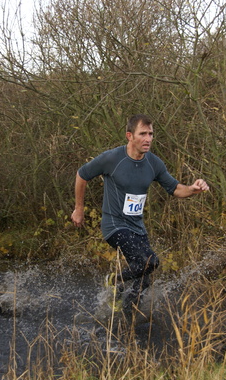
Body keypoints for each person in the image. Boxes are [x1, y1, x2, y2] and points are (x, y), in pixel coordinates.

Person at [71, 114, 209, 313]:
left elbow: (176, 189)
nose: (148, 139)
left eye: (151, 134)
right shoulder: (112, 158)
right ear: (130, 136)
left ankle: (129, 312)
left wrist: (193, 188)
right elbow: (82, 174)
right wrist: (79, 208)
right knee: (150, 261)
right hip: (115, 225)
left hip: (137, 228)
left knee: (144, 278)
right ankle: (114, 280)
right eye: (143, 134)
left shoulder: (154, 163)